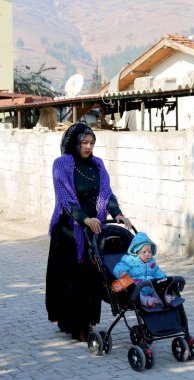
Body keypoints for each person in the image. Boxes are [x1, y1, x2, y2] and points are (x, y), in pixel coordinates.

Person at [45, 122, 131, 341]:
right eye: (84, 142)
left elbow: (107, 194)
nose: (88, 147)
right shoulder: (62, 164)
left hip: (93, 229)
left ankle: (88, 322)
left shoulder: (98, 165)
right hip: (68, 231)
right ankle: (75, 325)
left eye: (92, 143)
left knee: (92, 276)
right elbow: (66, 200)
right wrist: (84, 219)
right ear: (75, 142)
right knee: (71, 278)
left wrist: (118, 213)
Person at [113, 232, 180, 308]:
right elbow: (118, 267)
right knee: (138, 296)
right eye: (144, 252)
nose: (147, 254)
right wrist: (121, 272)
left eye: (149, 252)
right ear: (136, 251)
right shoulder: (129, 260)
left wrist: (165, 278)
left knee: (159, 291)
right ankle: (147, 301)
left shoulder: (152, 262)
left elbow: (158, 272)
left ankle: (164, 298)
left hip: (151, 287)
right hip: (137, 288)